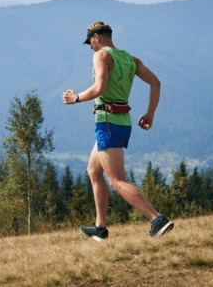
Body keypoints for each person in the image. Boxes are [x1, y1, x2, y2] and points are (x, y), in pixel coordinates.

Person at [62, 21, 174, 241]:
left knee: (116, 180)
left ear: (96, 38)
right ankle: (100, 227)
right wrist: (150, 113)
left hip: (107, 122)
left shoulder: (101, 56)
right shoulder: (130, 59)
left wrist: (76, 98)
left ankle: (157, 219)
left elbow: (99, 88)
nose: (90, 47)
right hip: (122, 121)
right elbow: (156, 83)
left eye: (90, 42)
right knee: (93, 171)